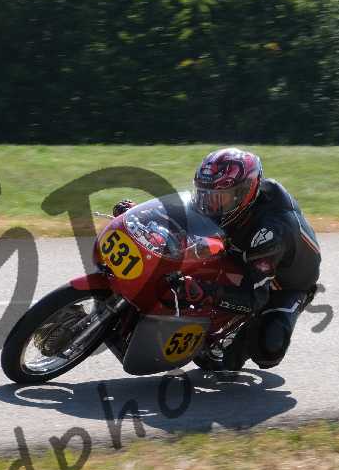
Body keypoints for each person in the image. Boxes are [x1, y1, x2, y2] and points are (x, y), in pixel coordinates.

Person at [113, 147, 321, 370]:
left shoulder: (270, 233)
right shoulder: (232, 204)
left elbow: (255, 297)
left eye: (218, 199)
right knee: (183, 257)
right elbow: (185, 212)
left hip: (282, 284)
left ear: (244, 193)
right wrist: (143, 214)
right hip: (243, 252)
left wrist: (207, 292)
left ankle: (241, 334)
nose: (209, 206)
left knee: (268, 349)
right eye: (204, 195)